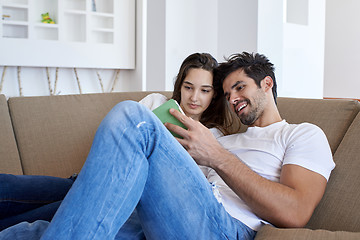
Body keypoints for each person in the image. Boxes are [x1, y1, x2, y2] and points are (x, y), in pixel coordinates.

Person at [0, 53, 240, 239]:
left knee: (40, 221)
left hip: (127, 199)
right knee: (10, 186)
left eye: (204, 90)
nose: (194, 97)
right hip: (96, 179)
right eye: (188, 87)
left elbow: (197, 193)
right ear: (180, 85)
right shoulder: (156, 102)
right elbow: (118, 137)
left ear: (214, 95)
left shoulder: (213, 138)